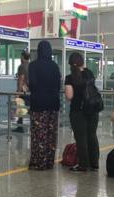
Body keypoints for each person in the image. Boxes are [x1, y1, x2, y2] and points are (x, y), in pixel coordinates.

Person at [28, 41, 61, 170]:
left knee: (38, 134)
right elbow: (58, 86)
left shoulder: (33, 66)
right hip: (53, 104)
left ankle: (38, 162)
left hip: (38, 104)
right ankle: (49, 162)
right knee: (51, 133)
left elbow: (33, 85)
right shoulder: (55, 66)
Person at [65, 52, 100, 172]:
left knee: (81, 138)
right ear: (82, 62)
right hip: (92, 110)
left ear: (70, 64)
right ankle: (94, 164)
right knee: (92, 136)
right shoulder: (90, 74)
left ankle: (83, 165)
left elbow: (69, 96)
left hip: (78, 112)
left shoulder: (70, 78)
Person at [13, 50, 31, 133]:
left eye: (21, 56)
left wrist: (18, 92)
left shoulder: (22, 66)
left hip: (23, 91)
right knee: (25, 107)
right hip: (30, 91)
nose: (20, 58)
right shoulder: (31, 66)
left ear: (23, 57)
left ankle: (20, 127)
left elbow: (21, 79)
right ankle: (20, 125)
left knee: (23, 107)